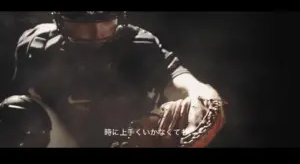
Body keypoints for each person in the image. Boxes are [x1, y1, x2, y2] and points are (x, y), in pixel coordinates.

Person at [0, 11, 226, 147]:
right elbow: (26, 102)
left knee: (166, 124)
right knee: (18, 116)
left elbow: (189, 85)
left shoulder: (139, 45)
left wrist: (206, 101)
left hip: (126, 139)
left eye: (106, 15)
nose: (97, 30)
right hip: (67, 140)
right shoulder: (35, 46)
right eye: (82, 18)